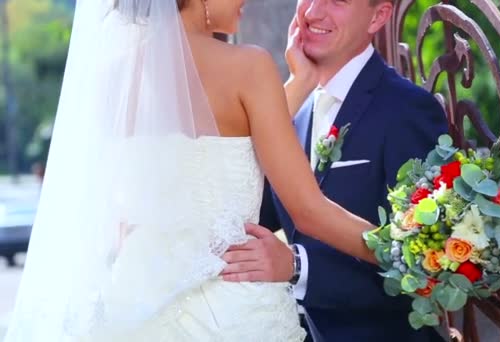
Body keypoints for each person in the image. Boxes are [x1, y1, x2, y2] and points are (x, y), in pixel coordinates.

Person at [3, 0, 381, 341]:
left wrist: (300, 84)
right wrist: (399, 248)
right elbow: (308, 209)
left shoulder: (114, 75)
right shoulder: (248, 66)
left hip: (131, 306)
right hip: (228, 312)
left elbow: (216, 138)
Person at [222, 0, 448, 341]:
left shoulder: (407, 110)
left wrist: (298, 267)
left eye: (336, 1)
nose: (313, 12)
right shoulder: (296, 109)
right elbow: (244, 211)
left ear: (378, 16)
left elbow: (421, 264)